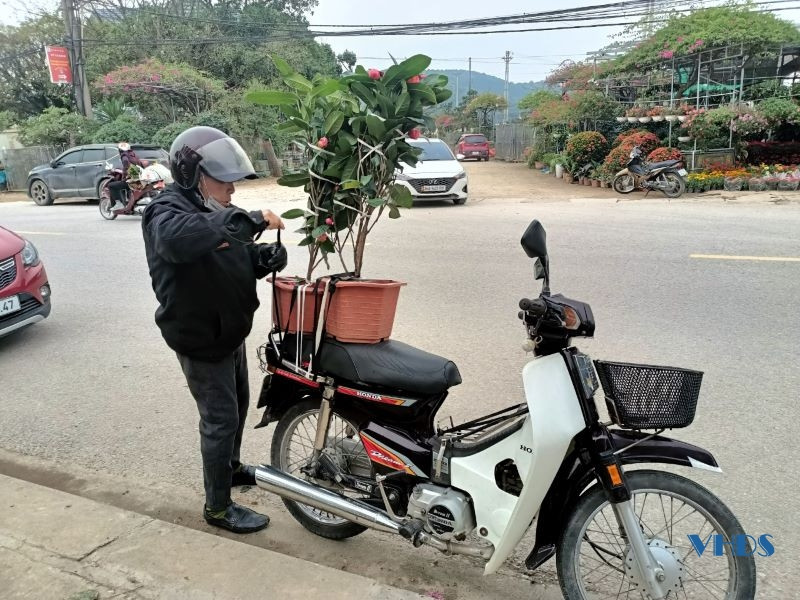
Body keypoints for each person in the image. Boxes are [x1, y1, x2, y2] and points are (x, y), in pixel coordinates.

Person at [141, 126, 287, 534]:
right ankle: (218, 508)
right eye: (224, 182)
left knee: (238, 408)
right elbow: (179, 242)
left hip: (229, 331)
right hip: (201, 337)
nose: (232, 191)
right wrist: (251, 220)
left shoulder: (210, 209)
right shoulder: (164, 212)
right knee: (220, 419)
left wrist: (262, 258)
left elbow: (228, 253)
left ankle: (231, 467)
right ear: (193, 175)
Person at [109, 142, 145, 211]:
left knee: (111, 185)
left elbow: (126, 164)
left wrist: (124, 177)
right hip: (140, 179)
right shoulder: (134, 155)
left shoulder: (124, 155)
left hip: (133, 181)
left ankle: (119, 204)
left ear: (120, 150)